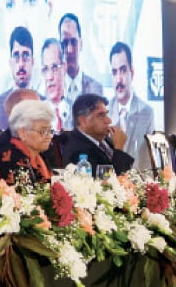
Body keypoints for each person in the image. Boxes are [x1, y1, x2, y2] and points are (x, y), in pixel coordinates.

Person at [0, 100, 54, 198]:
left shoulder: (39, 157)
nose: (49, 136)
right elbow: (23, 204)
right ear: (22, 132)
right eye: (43, 131)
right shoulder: (10, 159)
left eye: (51, 131)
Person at [107, 42, 154, 171]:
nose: (119, 79)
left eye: (123, 70)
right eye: (114, 72)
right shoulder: (105, 112)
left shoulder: (146, 112)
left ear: (131, 72)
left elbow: (146, 159)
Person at [62, 94, 134, 175]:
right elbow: (108, 181)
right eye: (101, 115)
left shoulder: (102, 139)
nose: (109, 121)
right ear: (83, 120)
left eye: (106, 114)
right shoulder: (77, 151)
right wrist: (119, 148)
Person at [0, 26, 34, 129]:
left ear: (33, 62)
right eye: (16, 56)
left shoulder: (43, 102)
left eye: (26, 55)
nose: (21, 63)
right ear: (10, 62)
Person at [58, 13, 102, 105]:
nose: (69, 50)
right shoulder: (51, 92)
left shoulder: (96, 91)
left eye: (73, 42)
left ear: (81, 43)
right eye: (64, 43)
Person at [40, 38, 72, 132]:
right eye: (46, 69)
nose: (49, 77)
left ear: (64, 68)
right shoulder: (36, 116)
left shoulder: (76, 111)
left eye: (54, 67)